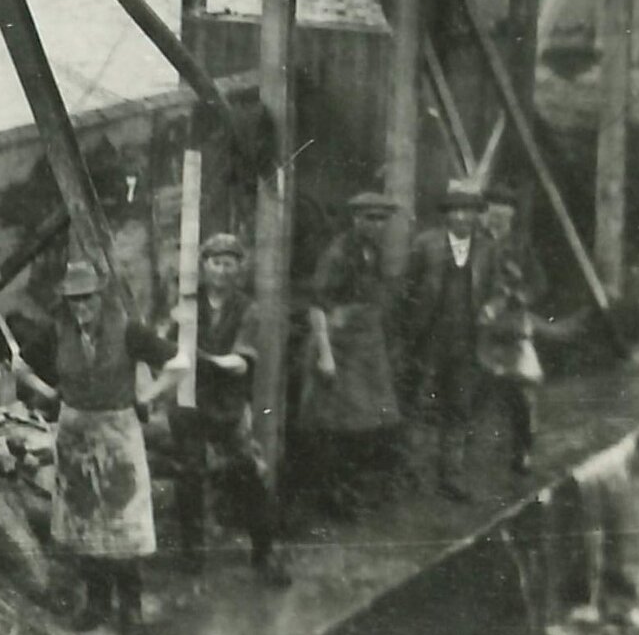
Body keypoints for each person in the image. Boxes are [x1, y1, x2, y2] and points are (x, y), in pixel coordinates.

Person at [36, 259, 188, 635]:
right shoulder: (57, 331)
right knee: (86, 521)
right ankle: (96, 603)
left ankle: (131, 608)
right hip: (75, 434)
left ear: (100, 296)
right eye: (73, 299)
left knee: (124, 525)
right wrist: (51, 395)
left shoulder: (129, 331)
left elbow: (179, 362)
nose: (80, 306)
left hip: (118, 432)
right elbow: (19, 364)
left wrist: (147, 398)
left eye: (87, 298)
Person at [165, 233, 289, 585]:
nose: (221, 271)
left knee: (248, 474)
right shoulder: (189, 307)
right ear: (204, 267)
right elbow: (168, 347)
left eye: (228, 264)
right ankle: (192, 554)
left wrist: (203, 358)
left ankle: (264, 553)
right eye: (215, 263)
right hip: (189, 404)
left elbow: (240, 362)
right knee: (188, 475)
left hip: (227, 406)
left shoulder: (247, 309)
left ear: (238, 270)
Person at [300, 193, 405, 519]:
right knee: (338, 425)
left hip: (367, 345)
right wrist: (326, 355)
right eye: (369, 218)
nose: (376, 225)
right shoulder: (337, 253)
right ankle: (336, 498)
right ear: (355, 219)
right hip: (341, 345)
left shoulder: (372, 251)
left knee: (370, 422)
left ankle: (356, 493)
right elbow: (317, 305)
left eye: (381, 219)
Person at [395, 180, 494, 502]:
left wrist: (492, 308)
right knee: (418, 402)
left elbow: (496, 289)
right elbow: (406, 289)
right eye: (457, 211)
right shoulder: (426, 244)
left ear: (477, 215)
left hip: (466, 340)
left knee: (459, 406)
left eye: (469, 211)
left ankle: (451, 477)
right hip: (429, 337)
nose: (463, 217)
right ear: (446, 215)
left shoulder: (486, 249)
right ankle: (409, 472)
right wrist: (409, 328)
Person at [478, 189, 548, 478]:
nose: (497, 221)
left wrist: (520, 295)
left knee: (521, 391)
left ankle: (523, 450)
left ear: (512, 217)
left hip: (512, 329)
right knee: (474, 390)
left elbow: (539, 284)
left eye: (504, 216)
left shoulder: (521, 246)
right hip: (478, 327)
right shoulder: (473, 244)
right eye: (493, 214)